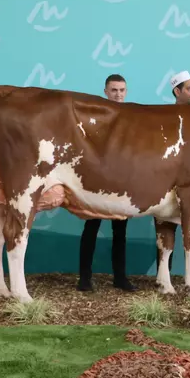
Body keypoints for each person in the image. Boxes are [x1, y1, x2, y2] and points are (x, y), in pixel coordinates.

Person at [77, 74, 137, 292]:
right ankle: (84, 278)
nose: (118, 94)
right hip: (98, 182)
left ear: (126, 92)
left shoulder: (132, 117)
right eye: (114, 90)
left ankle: (120, 278)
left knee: (120, 231)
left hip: (122, 183)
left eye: (121, 90)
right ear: (105, 92)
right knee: (91, 227)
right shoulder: (95, 116)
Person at [154, 70, 190, 288]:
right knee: (165, 228)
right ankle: (163, 275)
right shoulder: (166, 116)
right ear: (177, 91)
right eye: (189, 89)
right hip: (167, 181)